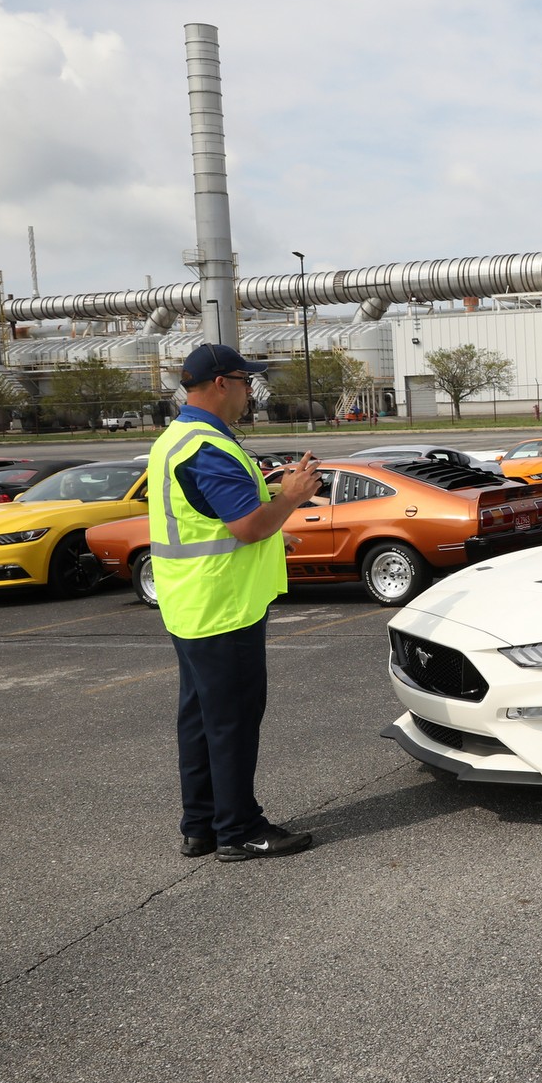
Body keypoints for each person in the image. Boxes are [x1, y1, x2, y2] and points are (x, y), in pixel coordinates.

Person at [150, 343, 321, 862]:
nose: (251, 392)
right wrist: (290, 498)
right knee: (233, 722)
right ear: (222, 383)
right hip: (224, 607)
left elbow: (217, 523)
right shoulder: (209, 448)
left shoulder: (176, 438)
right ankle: (239, 829)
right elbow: (245, 526)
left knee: (201, 720)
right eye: (247, 382)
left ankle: (200, 825)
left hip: (190, 603)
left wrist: (272, 531)